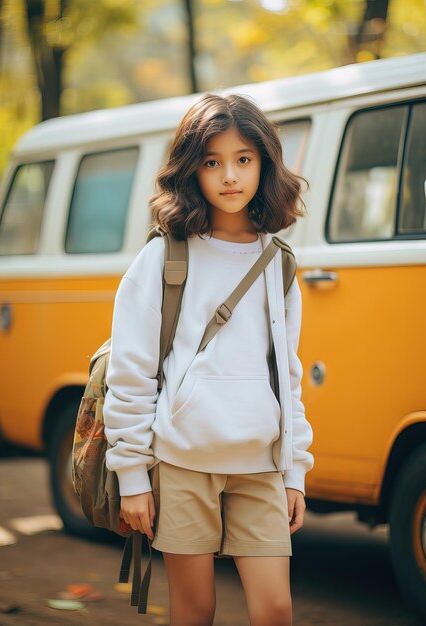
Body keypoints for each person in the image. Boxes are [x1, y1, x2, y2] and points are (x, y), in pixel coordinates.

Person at [104, 93, 314, 626]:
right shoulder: (164, 255)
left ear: (264, 164)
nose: (229, 176)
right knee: (194, 610)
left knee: (275, 611)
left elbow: (286, 374)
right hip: (182, 462)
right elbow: (132, 371)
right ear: (190, 169)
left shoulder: (279, 262)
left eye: (243, 159)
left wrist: (294, 472)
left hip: (260, 464)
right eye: (212, 161)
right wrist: (132, 476)